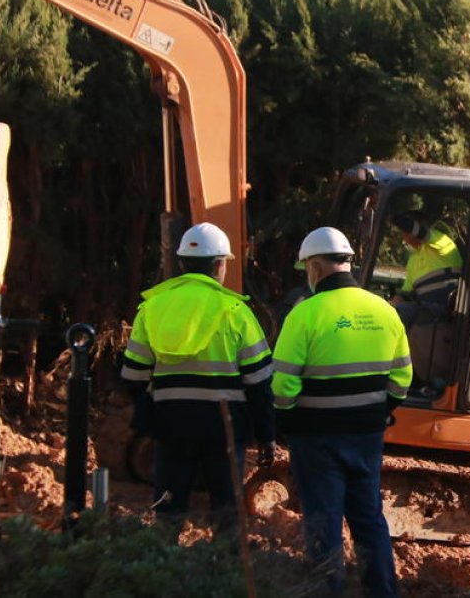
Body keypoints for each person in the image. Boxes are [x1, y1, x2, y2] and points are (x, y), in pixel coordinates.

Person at [272, 227, 412, 597]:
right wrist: (377, 412)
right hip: (366, 436)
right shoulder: (385, 311)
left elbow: (282, 384)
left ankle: (327, 590)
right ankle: (382, 591)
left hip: (315, 437)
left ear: (315, 266)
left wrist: (286, 419)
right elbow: (402, 378)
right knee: (369, 518)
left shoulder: (305, 314)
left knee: (324, 520)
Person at [120, 222, 275, 537]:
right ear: (220, 265)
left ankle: (164, 560)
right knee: (227, 513)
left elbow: (133, 376)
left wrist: (153, 413)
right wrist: (266, 434)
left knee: (168, 511)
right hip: (225, 428)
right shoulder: (236, 311)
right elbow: (260, 382)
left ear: (181, 264)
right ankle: (226, 563)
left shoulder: (152, 309)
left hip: (171, 424)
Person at [389, 211, 462, 325]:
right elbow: (405, 291)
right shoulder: (413, 259)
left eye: (405, 230)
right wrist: (390, 306)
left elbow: (419, 232)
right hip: (424, 310)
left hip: (446, 311)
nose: (403, 234)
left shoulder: (443, 242)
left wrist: (391, 216)